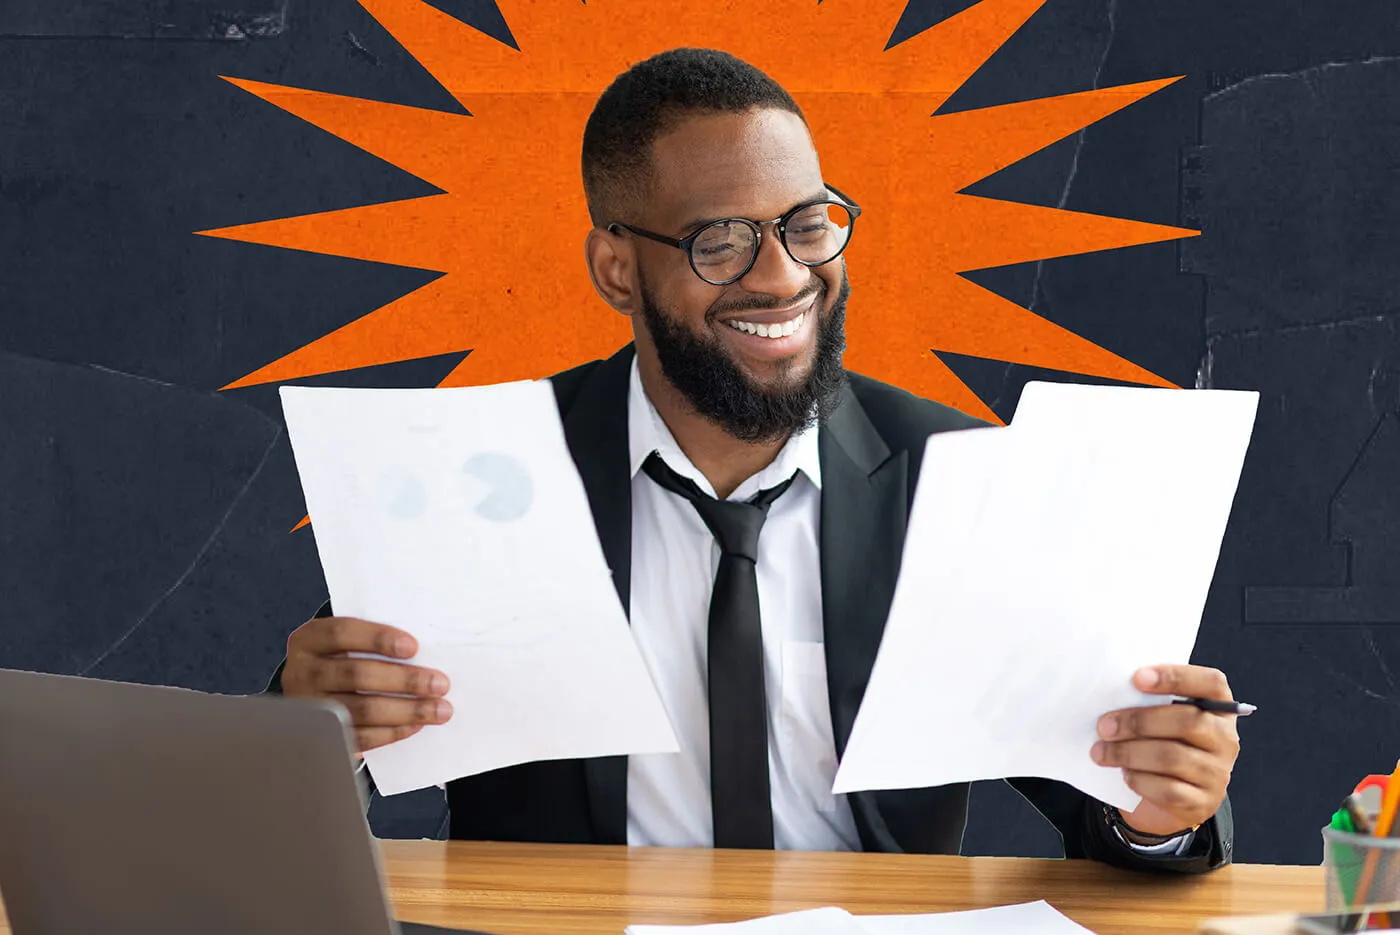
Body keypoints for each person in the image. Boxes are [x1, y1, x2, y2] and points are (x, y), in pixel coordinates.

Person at [265, 48, 1239, 872]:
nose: (780, 276)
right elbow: (296, 793)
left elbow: (1109, 813)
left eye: (805, 224)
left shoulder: (958, 476)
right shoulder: (481, 475)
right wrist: (312, 736)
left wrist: (1157, 807)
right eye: (719, 242)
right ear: (616, 268)